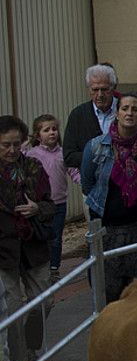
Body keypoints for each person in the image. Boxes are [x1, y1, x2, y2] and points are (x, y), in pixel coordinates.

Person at [78, 94, 137, 303]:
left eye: (135, 109)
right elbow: (88, 183)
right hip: (108, 232)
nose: (129, 113)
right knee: (108, 297)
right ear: (117, 113)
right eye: (125, 108)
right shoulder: (95, 147)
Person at [0, 115, 56, 361]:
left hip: (33, 246)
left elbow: (50, 206)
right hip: (4, 252)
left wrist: (38, 209)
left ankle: (31, 346)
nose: (12, 150)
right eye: (5, 145)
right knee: (11, 311)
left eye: (16, 144)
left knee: (44, 302)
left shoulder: (34, 167)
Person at [62, 64, 137, 172]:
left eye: (104, 89)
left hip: (130, 178)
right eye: (95, 90)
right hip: (96, 183)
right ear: (89, 89)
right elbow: (68, 157)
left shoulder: (126, 110)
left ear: (113, 88)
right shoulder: (78, 115)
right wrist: (101, 155)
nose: (100, 95)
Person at [24, 116, 75, 282]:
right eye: (46, 130)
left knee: (56, 237)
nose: (52, 132)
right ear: (38, 136)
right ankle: (41, 266)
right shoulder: (32, 154)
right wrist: (23, 146)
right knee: (41, 236)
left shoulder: (63, 153)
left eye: (54, 129)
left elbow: (74, 171)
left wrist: (86, 182)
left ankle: (54, 268)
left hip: (59, 204)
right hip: (40, 205)